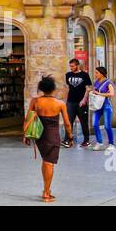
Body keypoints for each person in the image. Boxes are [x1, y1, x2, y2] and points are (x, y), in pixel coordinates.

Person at [23, 75, 71, 203]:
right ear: (53, 89)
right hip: (52, 136)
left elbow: (28, 118)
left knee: (45, 161)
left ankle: (47, 189)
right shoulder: (60, 103)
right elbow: (67, 123)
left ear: (41, 89)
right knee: (49, 163)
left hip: (39, 136)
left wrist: (25, 135)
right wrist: (70, 137)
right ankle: (46, 192)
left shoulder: (35, 101)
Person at [62, 58, 92, 148]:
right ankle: (67, 140)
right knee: (68, 121)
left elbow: (88, 88)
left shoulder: (84, 75)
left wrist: (84, 100)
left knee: (84, 122)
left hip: (81, 103)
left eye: (72, 66)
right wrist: (65, 99)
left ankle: (86, 141)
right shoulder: (68, 75)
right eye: (70, 66)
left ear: (77, 65)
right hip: (70, 102)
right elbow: (67, 88)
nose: (71, 68)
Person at [90, 66, 115, 150]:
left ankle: (111, 144)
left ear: (102, 73)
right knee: (94, 124)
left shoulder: (108, 82)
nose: (95, 74)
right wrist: (93, 92)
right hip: (97, 106)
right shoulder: (96, 82)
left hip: (106, 105)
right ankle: (99, 142)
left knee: (107, 126)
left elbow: (111, 94)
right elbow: (95, 91)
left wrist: (99, 93)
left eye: (97, 73)